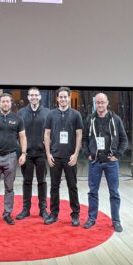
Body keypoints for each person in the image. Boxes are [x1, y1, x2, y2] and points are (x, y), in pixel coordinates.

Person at [82, 93, 128, 232]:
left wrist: (118, 155)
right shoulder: (90, 119)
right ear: (95, 104)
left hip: (111, 162)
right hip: (95, 162)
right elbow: (84, 139)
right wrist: (87, 154)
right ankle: (91, 219)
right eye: (98, 102)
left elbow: (124, 139)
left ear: (107, 103)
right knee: (92, 192)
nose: (100, 105)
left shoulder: (115, 119)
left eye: (102, 102)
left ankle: (116, 221)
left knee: (114, 193)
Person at [0, 92, 26, 226]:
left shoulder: (17, 119)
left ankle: (7, 213)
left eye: (8, 101)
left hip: (11, 157)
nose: (5, 104)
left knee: (9, 188)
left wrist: (23, 153)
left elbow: (23, 137)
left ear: (11, 103)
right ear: (0, 103)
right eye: (3, 101)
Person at [44, 86, 83, 226]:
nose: (63, 99)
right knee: (54, 187)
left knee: (72, 186)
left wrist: (76, 154)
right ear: (57, 98)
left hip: (70, 157)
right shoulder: (50, 115)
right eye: (60, 97)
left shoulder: (76, 115)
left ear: (69, 98)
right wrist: (48, 154)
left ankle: (75, 215)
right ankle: (53, 214)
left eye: (65, 97)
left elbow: (79, 135)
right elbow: (46, 135)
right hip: (55, 157)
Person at [17, 87, 48, 221]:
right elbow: (17, 133)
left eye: (36, 95)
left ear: (40, 97)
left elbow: (51, 133)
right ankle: (26, 209)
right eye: (31, 95)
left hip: (41, 154)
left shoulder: (47, 113)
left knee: (42, 182)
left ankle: (43, 209)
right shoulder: (21, 113)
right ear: (28, 97)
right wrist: (20, 151)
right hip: (27, 154)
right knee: (27, 181)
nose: (34, 97)